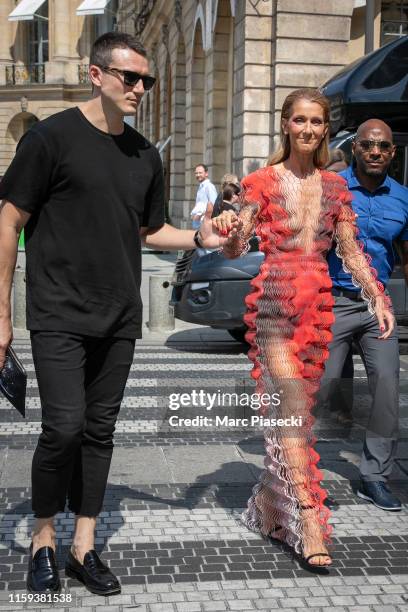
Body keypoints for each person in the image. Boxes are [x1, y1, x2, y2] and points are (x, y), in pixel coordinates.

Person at [0, 32, 229, 596]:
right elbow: (8, 220)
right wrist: (0, 314)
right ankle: (43, 537)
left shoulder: (145, 155)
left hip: (120, 314)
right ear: (95, 74)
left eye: (146, 80)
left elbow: (152, 231)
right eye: (131, 78)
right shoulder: (49, 139)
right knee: (63, 429)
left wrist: (200, 236)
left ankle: (83, 544)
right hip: (56, 312)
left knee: (99, 432)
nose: (141, 89)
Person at [212, 88, 394, 567]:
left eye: (317, 121)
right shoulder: (260, 181)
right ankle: (309, 519)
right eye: (300, 121)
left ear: (325, 127)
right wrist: (230, 230)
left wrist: (377, 296)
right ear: (286, 125)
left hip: (317, 308)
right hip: (274, 303)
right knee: (289, 407)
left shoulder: (336, 188)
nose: (309, 130)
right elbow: (235, 249)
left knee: (296, 415)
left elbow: (351, 249)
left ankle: (275, 504)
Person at [319, 119, 408, 511]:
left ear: (392, 153)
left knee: (387, 387)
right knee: (318, 389)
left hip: (378, 307)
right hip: (333, 301)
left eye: (383, 147)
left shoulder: (403, 198)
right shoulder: (331, 189)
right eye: (368, 145)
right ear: (355, 148)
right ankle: (301, 473)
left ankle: (374, 475)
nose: (375, 152)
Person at [191, 163, 218, 228]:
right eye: (196, 173)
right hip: (198, 223)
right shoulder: (201, 187)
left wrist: (199, 215)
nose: (198, 175)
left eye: (200, 173)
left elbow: (214, 205)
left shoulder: (209, 187)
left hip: (204, 223)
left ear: (206, 173)